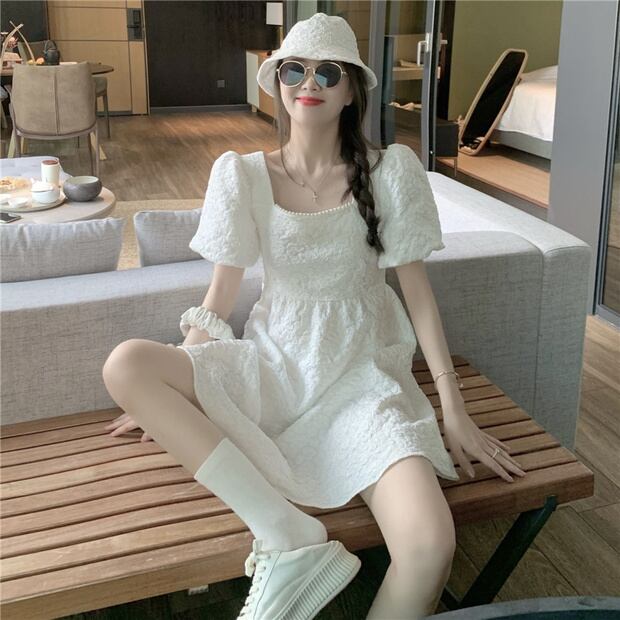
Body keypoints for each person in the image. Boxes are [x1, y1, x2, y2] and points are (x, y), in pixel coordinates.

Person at [102, 12, 526, 620]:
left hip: (361, 383)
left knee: (430, 547)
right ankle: (286, 533)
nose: (309, 82)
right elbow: (219, 298)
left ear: (351, 90)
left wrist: (452, 407)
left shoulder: (390, 172)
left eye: (328, 71)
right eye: (294, 70)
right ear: (276, 82)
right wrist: (171, 392)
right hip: (271, 369)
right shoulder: (242, 174)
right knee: (127, 365)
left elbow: (418, 296)